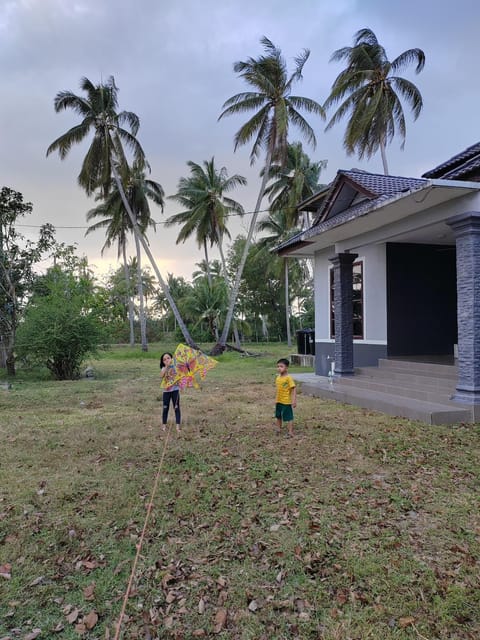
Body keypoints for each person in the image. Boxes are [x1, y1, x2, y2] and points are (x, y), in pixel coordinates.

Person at [160, 352, 181, 433]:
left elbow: (180, 376)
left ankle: (178, 426)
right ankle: (164, 426)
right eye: (164, 359)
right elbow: (161, 375)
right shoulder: (163, 368)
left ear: (172, 359)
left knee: (176, 407)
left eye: (168, 358)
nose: (167, 360)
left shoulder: (176, 367)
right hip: (166, 391)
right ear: (163, 362)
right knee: (165, 408)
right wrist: (166, 366)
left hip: (175, 390)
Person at [275, 358, 296, 437]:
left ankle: (290, 432)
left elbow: (293, 389)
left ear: (286, 368)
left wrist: (294, 400)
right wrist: (276, 399)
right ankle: (278, 429)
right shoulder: (278, 378)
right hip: (279, 401)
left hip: (286, 401)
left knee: (288, 417)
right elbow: (278, 390)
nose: (279, 368)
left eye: (281, 366)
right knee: (278, 415)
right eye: (278, 366)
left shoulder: (288, 378)